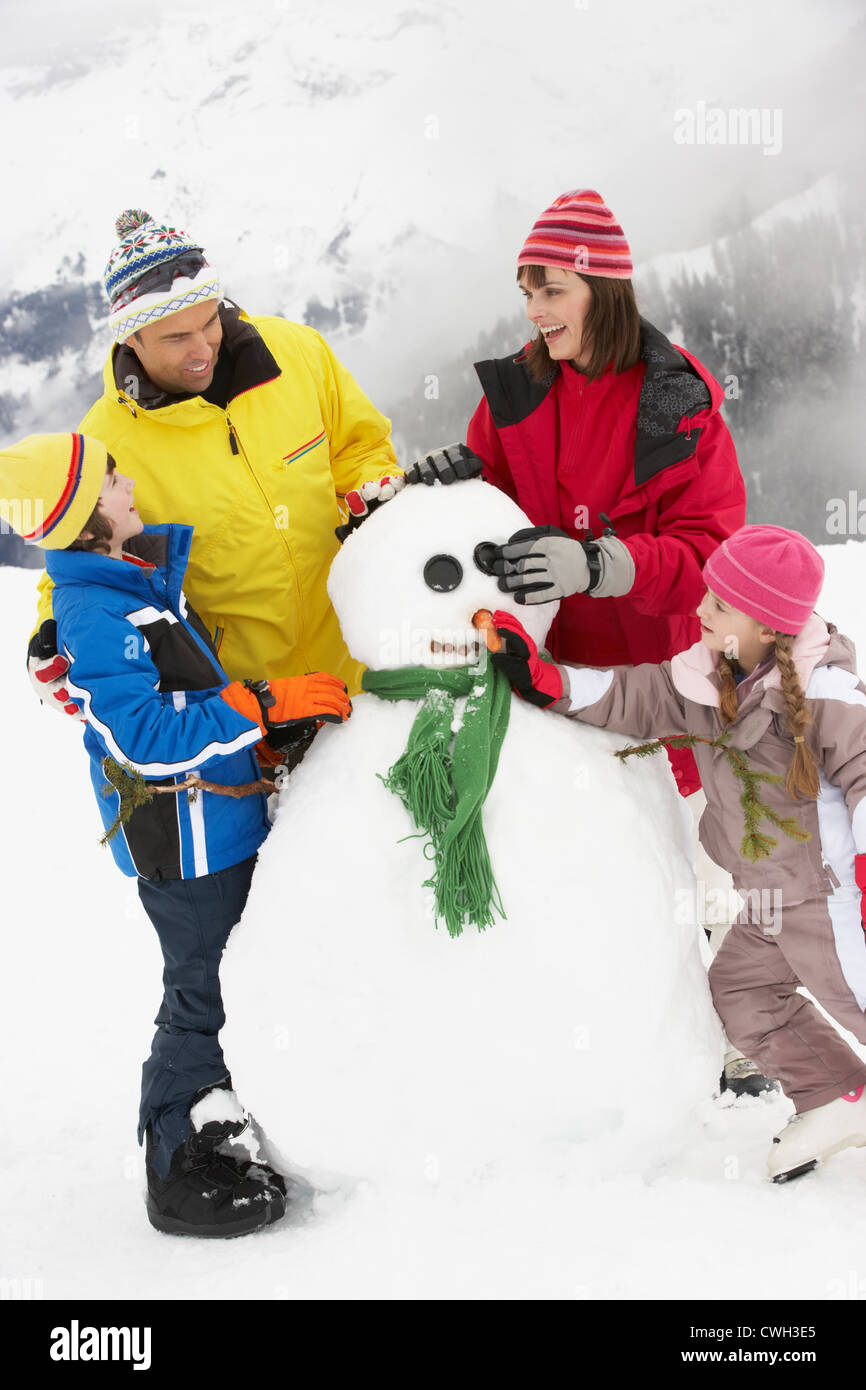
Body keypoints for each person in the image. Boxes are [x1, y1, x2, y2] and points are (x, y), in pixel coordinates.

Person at [409, 188, 764, 1094]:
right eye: (527, 288)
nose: (533, 309)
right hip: (554, 676)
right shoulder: (519, 391)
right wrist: (459, 485)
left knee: (703, 864)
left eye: (552, 289)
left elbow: (715, 554)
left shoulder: (676, 404)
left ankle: (740, 1040)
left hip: (666, 673)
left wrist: (603, 565)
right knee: (585, 856)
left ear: (602, 290)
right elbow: (493, 500)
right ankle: (606, 1034)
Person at [3, 431, 352, 1237]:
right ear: (87, 515)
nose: (129, 485)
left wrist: (259, 735)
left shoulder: (131, 580)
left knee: (222, 978)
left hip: (217, 817)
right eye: (112, 479)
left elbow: (190, 691)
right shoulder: (95, 609)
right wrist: (259, 705)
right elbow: (143, 735)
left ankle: (220, 1116)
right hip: (185, 843)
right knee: (200, 992)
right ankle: (176, 1163)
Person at [485, 524, 866, 1183]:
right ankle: (839, 1093)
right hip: (767, 898)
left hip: (830, 897)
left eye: (718, 603)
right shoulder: (701, 682)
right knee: (741, 991)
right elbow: (629, 698)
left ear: (764, 625)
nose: (700, 610)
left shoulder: (826, 695)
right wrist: (545, 679)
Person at [27, 207, 402, 725]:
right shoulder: (105, 443)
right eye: (177, 338)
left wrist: (372, 491)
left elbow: (359, 449)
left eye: (209, 321)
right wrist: (53, 635)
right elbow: (83, 565)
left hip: (362, 662)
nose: (203, 349)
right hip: (253, 704)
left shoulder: (298, 353)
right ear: (130, 339)